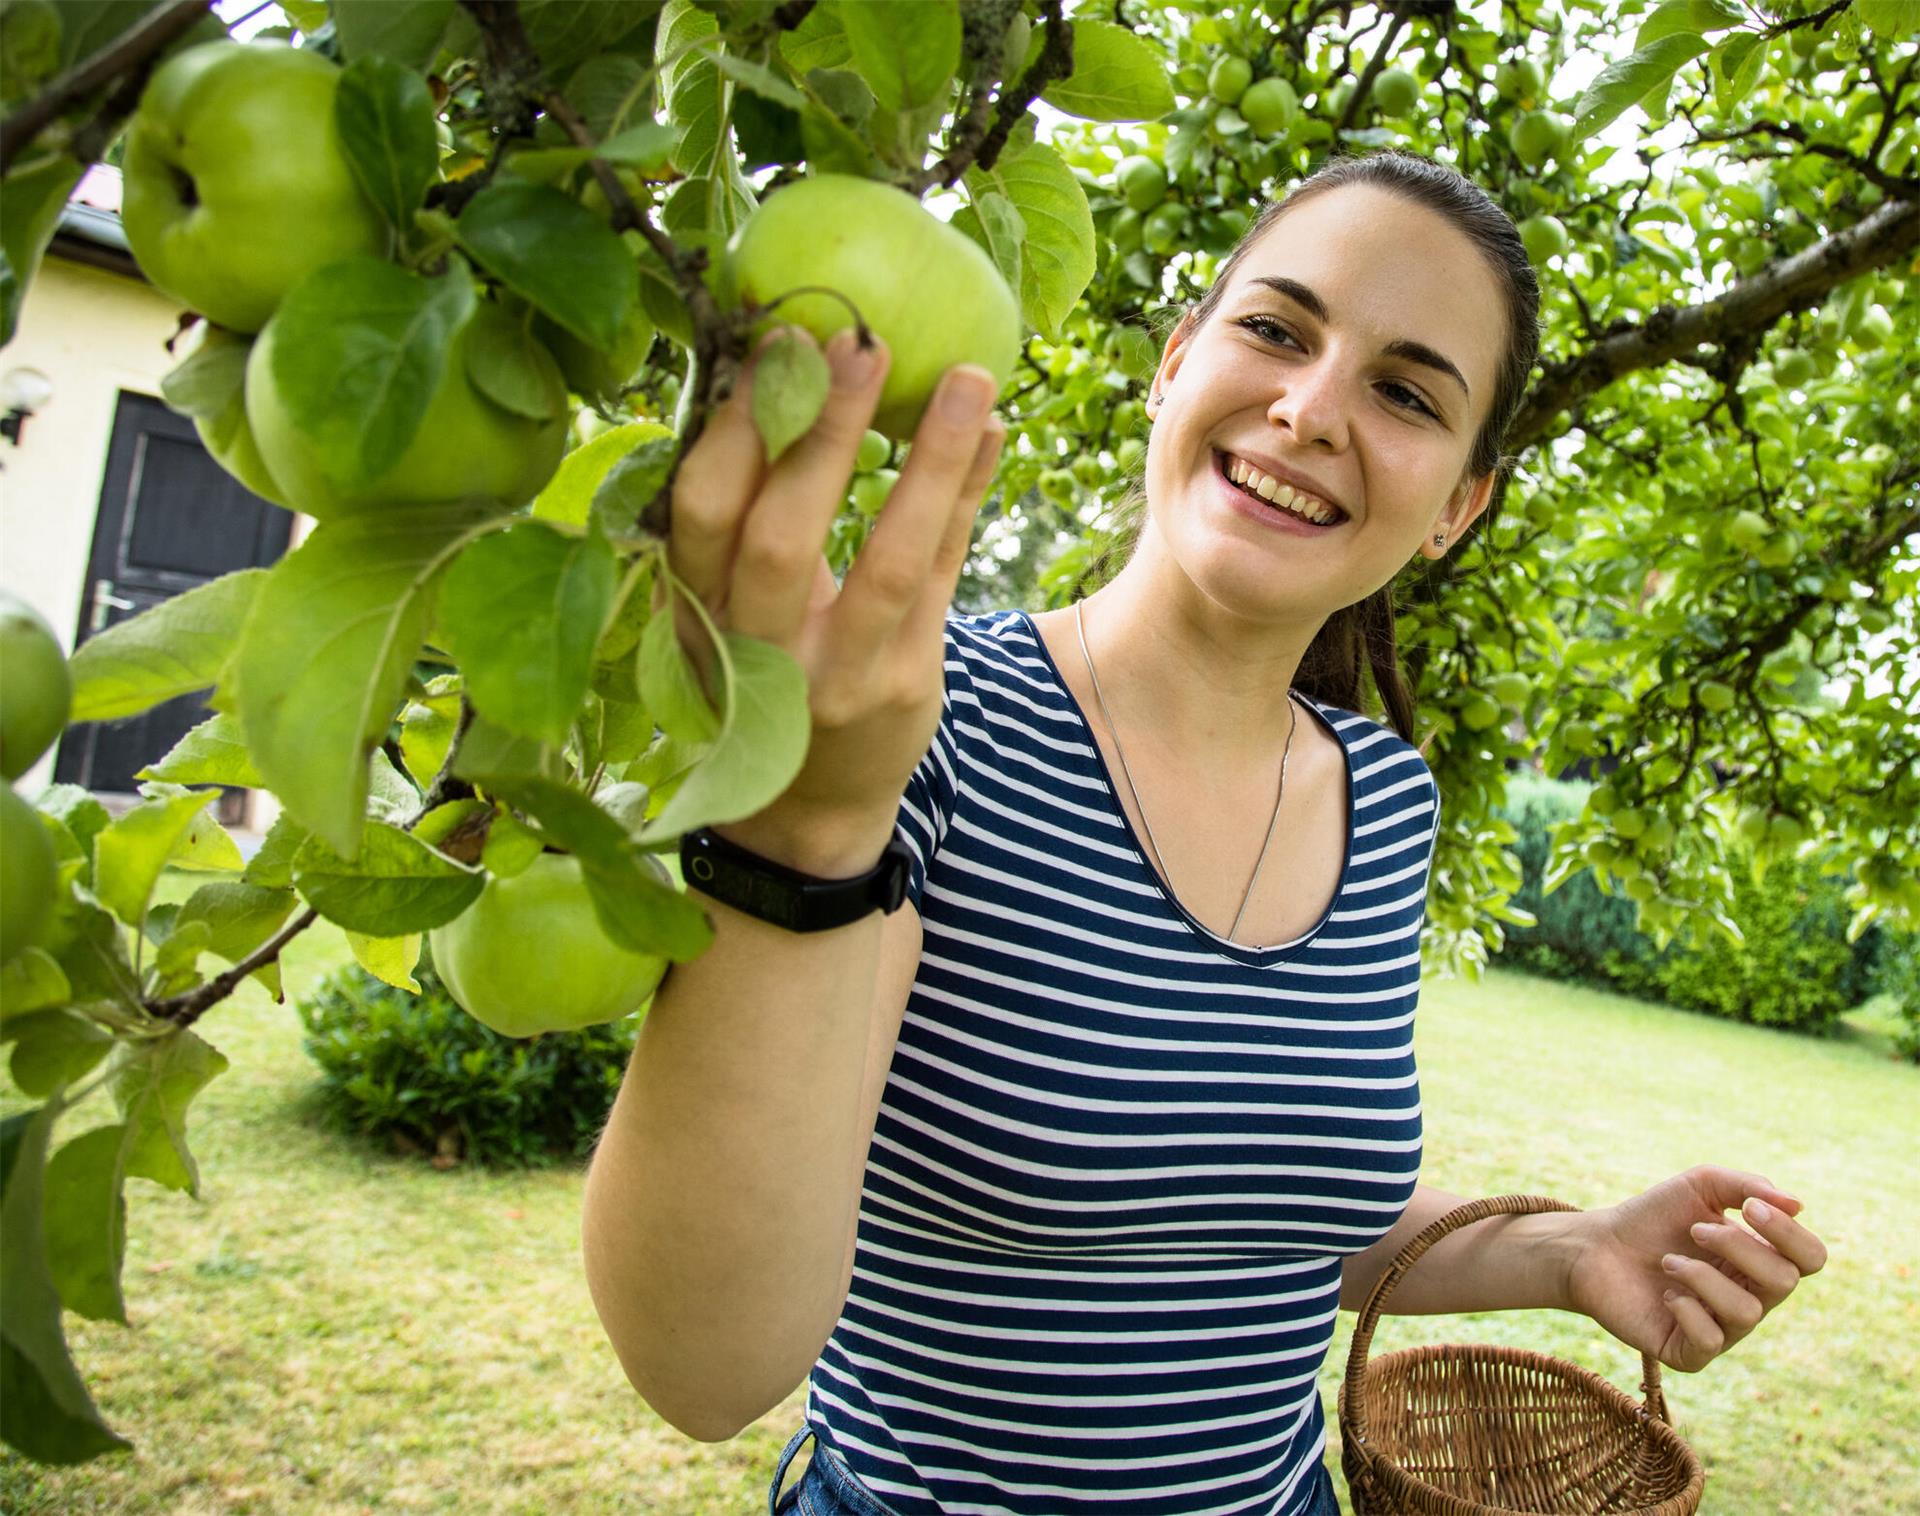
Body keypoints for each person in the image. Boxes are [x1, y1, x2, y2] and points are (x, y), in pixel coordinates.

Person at [579, 151, 1828, 1516]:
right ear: (1174, 364)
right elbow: (702, 1368)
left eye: (1405, 393)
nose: (1307, 408)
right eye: (1277, 330)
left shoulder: (1387, 799)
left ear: (1456, 511)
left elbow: (1254, 1220)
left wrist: (1569, 1250)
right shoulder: (914, 723)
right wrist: (808, 824)